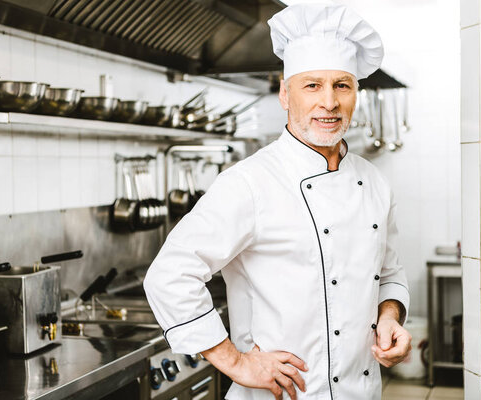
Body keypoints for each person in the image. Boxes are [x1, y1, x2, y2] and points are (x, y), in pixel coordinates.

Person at [143, 3, 412, 399]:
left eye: (342, 85)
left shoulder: (373, 182)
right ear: (285, 94)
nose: (329, 102)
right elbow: (169, 275)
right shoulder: (249, 182)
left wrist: (391, 318)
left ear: (356, 93)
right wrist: (234, 361)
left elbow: (388, 273)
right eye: (312, 85)